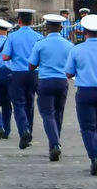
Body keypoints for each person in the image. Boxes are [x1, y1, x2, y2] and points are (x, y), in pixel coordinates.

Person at [64, 14, 97, 175]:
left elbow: (69, 73)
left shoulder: (77, 49)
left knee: (87, 127)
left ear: (84, 32)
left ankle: (95, 156)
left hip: (85, 91)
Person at [31, 14, 75, 162]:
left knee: (47, 114)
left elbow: (31, 65)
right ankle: (55, 142)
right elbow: (72, 68)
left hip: (45, 80)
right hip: (62, 81)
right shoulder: (69, 45)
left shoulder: (40, 44)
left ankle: (54, 144)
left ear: (46, 27)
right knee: (59, 113)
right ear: (61, 28)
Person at [2, 8, 41, 149]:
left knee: (18, 104)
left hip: (17, 72)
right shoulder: (38, 37)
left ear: (19, 21)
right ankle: (29, 130)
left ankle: (23, 129)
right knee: (30, 103)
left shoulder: (12, 36)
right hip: (33, 73)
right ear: (32, 22)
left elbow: (5, 56)